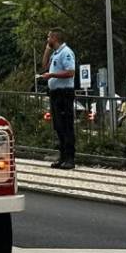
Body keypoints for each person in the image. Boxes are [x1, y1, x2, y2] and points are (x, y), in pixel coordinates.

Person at [39, 29, 77, 169]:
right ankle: (62, 157)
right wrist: (47, 50)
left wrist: (52, 76)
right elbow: (45, 66)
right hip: (55, 93)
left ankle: (70, 158)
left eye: (48, 37)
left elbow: (70, 72)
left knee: (66, 125)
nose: (47, 38)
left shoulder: (66, 52)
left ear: (54, 37)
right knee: (59, 126)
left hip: (64, 93)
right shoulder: (56, 53)